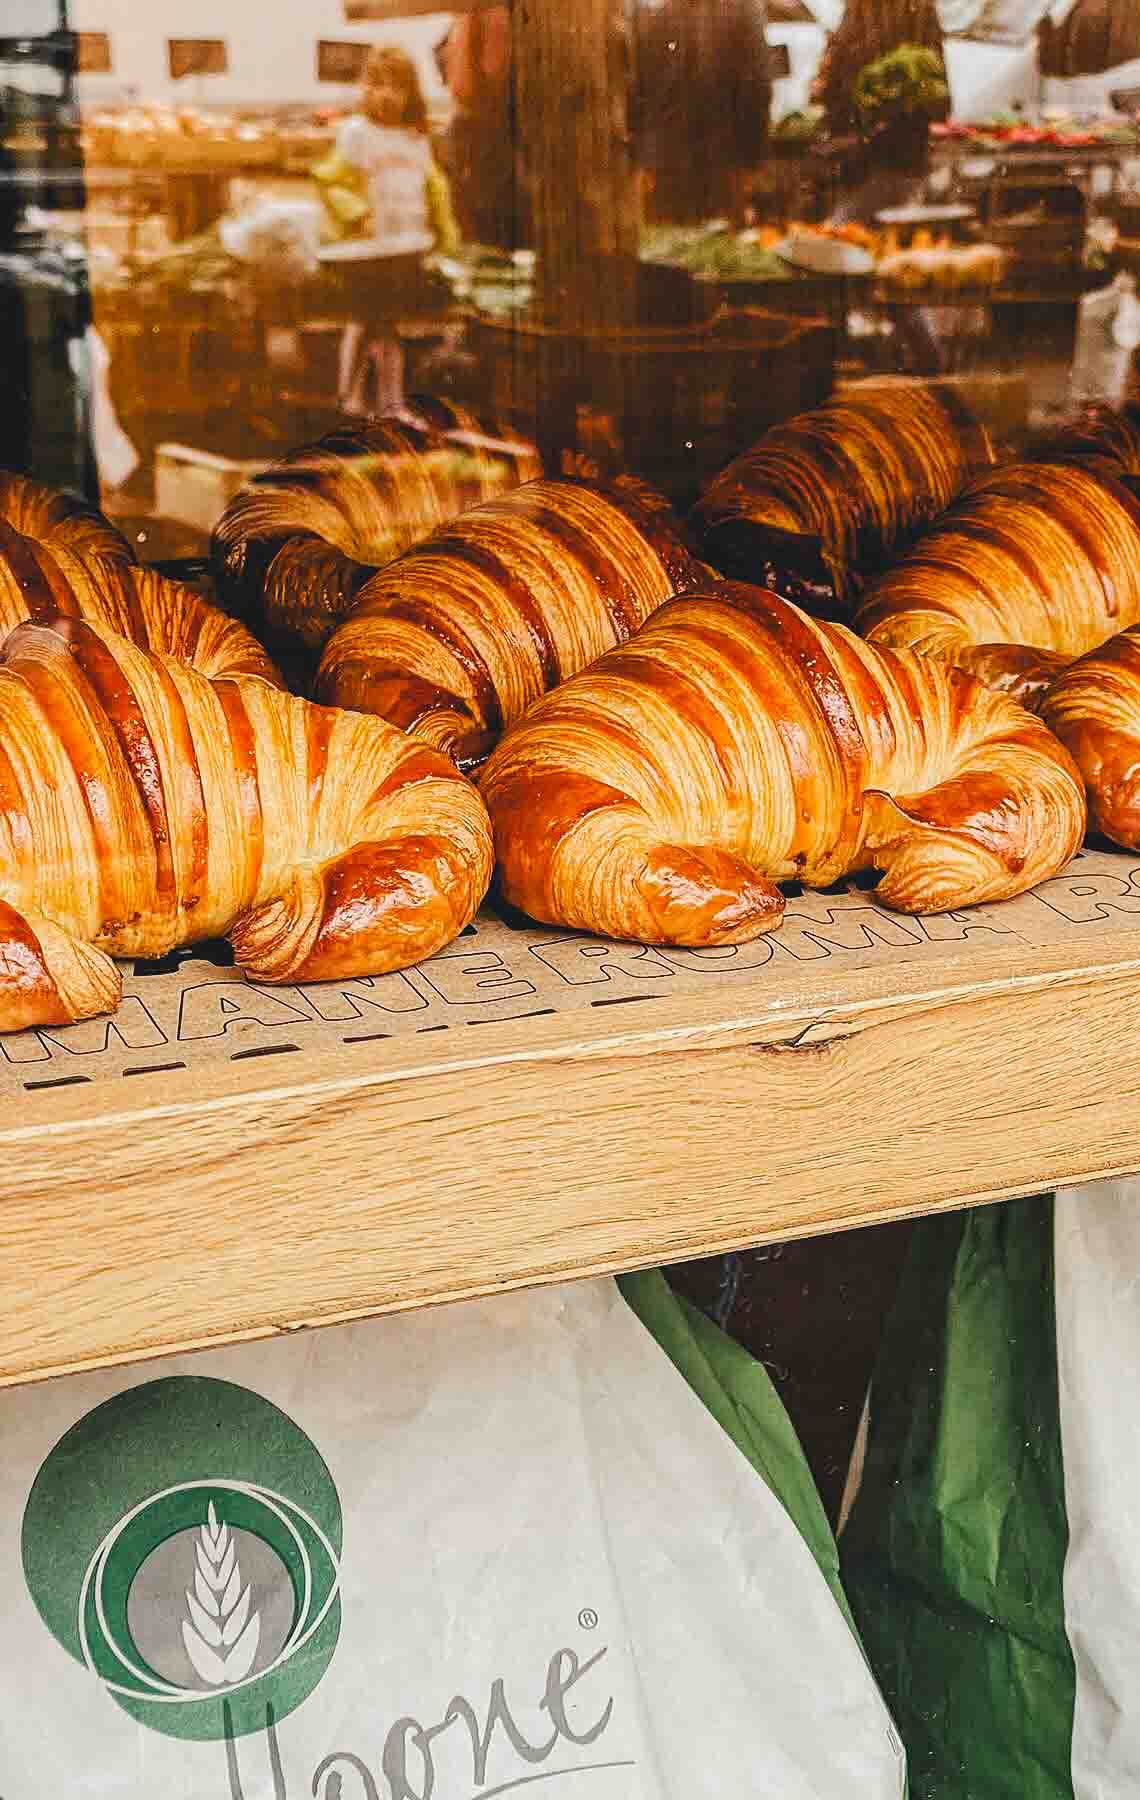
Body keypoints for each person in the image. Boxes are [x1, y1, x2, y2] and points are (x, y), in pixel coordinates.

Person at [313, 46, 458, 414]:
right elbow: (331, 181)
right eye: (377, 85)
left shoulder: (415, 136)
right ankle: (352, 396)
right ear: (366, 89)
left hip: (404, 243)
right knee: (365, 319)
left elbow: (433, 186)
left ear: (411, 94)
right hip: (365, 247)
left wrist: (443, 231)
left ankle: (386, 401)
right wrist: (357, 212)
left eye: (397, 87)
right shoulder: (357, 134)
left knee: (388, 322)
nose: (386, 95)